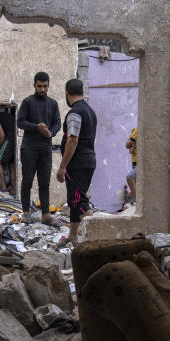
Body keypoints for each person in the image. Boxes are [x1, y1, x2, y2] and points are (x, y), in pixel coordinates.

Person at [56, 78, 97, 245]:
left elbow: (72, 140)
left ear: (67, 93)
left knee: (79, 202)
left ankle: (97, 237)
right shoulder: (90, 111)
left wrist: (62, 166)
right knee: (74, 199)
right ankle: (73, 235)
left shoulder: (75, 113)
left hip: (78, 163)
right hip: (88, 161)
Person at [17, 72, 61, 224]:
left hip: (45, 148)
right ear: (34, 85)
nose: (42, 89)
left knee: (45, 182)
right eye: (39, 86)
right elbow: (20, 122)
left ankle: (46, 215)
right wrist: (36, 127)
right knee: (27, 181)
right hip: (29, 148)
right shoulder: (27, 102)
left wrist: (50, 132)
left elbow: (57, 123)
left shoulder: (53, 103)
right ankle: (26, 212)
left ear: (48, 85)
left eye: (45, 86)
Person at [124, 127, 137, 206]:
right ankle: (133, 201)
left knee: (130, 178)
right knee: (136, 186)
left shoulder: (137, 130)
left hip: (138, 162)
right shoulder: (135, 130)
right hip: (135, 161)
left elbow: (127, 144)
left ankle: (137, 202)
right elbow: (129, 147)